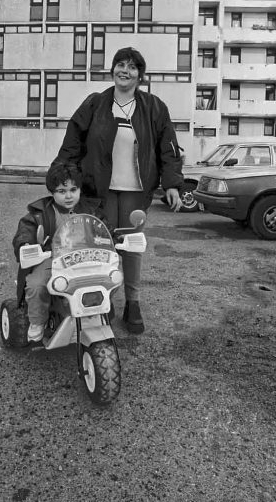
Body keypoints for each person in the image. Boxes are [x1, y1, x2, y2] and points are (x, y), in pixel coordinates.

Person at [51, 46, 185, 334]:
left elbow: (169, 149)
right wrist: (60, 177)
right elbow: (73, 143)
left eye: (132, 67)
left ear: (140, 75)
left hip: (137, 191)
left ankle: (133, 303)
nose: (125, 70)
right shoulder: (95, 104)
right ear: (112, 70)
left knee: (133, 247)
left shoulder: (154, 107)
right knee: (101, 246)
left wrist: (172, 184)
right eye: (120, 64)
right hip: (101, 190)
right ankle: (105, 299)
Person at [11, 163, 107, 344]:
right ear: (52, 192)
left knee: (108, 277)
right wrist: (25, 244)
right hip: (53, 258)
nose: (69, 195)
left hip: (85, 259)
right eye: (62, 191)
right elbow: (26, 229)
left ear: (80, 189)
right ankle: (38, 321)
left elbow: (104, 229)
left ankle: (98, 313)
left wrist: (116, 239)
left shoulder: (91, 210)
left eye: (73, 189)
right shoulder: (40, 213)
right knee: (37, 284)